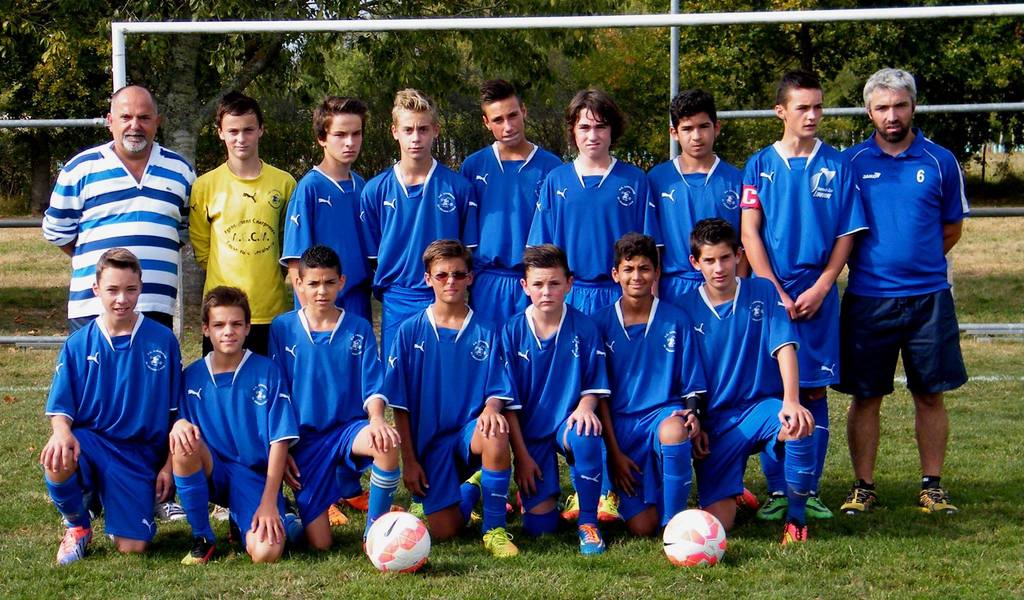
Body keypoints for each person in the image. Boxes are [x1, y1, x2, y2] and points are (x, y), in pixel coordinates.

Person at [836, 68, 969, 515]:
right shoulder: (850, 164)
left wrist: (918, 263)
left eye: (899, 106)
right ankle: (863, 487)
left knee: (930, 393)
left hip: (929, 298)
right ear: (869, 111)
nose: (891, 115)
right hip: (868, 299)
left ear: (913, 106)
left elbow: (951, 227)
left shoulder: (940, 161)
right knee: (866, 395)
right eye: (882, 107)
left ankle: (932, 486)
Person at [740, 70, 867, 520]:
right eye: (802, 108)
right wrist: (770, 286)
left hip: (817, 292)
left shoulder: (838, 164)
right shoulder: (758, 164)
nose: (812, 115)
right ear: (781, 112)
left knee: (813, 390)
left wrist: (824, 284)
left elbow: (845, 236)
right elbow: (750, 232)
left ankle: (808, 488)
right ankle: (778, 490)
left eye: (818, 107)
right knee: (778, 389)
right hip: (771, 290)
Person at [678, 218, 817, 544]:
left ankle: (797, 522)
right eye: (709, 260)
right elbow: (683, 377)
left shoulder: (762, 291)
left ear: (739, 255)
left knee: (798, 423)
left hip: (760, 409)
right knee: (719, 525)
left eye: (725, 258)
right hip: (716, 427)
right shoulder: (683, 309)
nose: (718, 268)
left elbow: (784, 346)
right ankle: (732, 490)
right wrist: (696, 420)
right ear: (695, 263)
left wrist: (791, 400)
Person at [40, 248, 183, 565]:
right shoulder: (79, 343)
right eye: (112, 290)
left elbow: (178, 414)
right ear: (96, 291)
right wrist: (61, 433)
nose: (122, 299)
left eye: (130, 289)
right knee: (57, 456)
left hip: (138, 454)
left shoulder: (163, 341)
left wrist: (168, 466)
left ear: (141, 288)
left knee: (133, 548)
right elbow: (61, 408)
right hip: (92, 443)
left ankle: (121, 504)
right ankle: (78, 526)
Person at [382, 240, 519, 557]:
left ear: (471, 277)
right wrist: (410, 461)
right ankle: (472, 487)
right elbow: (399, 407)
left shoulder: (487, 330)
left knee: (495, 429)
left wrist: (491, 407)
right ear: (428, 278)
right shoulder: (409, 332)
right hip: (430, 447)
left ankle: (494, 530)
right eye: (442, 275)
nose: (451, 282)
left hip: (468, 436)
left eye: (458, 275)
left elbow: (499, 389)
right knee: (446, 532)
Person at [268, 246, 400, 549]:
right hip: (304, 441)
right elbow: (279, 394)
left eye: (329, 282)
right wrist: (284, 446)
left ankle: (374, 535)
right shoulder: (283, 328)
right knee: (319, 545)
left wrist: (377, 419)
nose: (321, 291)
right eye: (313, 283)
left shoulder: (359, 328)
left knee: (386, 442)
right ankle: (290, 518)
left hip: (347, 430)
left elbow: (373, 386)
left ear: (342, 282)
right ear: (298, 283)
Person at [42, 85, 194, 332]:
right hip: (93, 308)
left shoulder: (181, 171)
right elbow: (58, 232)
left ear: (158, 121)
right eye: (126, 117)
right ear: (110, 121)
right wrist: (107, 264)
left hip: (156, 305)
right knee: (93, 372)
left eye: (144, 118)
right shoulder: (79, 169)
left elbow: (184, 230)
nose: (135, 125)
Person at [171, 287, 301, 565]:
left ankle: (279, 516)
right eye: (219, 325)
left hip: (254, 477)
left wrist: (268, 501)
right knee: (183, 442)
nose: (227, 331)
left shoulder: (267, 371)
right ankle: (202, 537)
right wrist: (178, 423)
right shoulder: (191, 376)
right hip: (214, 470)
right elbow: (179, 430)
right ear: (206, 329)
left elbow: (279, 440)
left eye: (235, 324)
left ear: (247, 328)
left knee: (266, 553)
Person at [592, 233, 706, 536]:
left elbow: (691, 383)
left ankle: (675, 523)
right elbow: (598, 396)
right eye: (628, 269)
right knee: (642, 528)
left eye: (644, 268)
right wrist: (614, 455)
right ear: (615, 274)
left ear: (657, 273)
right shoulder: (599, 323)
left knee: (675, 429)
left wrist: (694, 414)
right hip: (620, 428)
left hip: (661, 415)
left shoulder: (676, 319)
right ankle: (618, 495)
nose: (636, 276)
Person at [501, 244, 611, 554]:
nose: (546, 291)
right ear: (525, 286)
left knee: (587, 432)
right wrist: (521, 458)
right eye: (537, 284)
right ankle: (536, 498)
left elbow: (594, 383)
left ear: (569, 283)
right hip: (531, 434)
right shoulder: (511, 331)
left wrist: (587, 406)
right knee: (540, 529)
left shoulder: (585, 327)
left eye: (554, 283)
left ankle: (588, 522)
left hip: (567, 421)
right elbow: (507, 402)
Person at [360, 89, 478, 355]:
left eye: (423, 129)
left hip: (445, 297)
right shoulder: (375, 190)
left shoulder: (459, 188)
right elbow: (373, 256)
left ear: (435, 130)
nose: (416, 138)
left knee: (442, 379)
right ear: (394, 131)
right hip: (398, 300)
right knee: (398, 384)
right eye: (408, 129)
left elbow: (468, 252)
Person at [527, 88, 660, 316]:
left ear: (612, 130)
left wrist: (651, 304)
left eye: (601, 127)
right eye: (584, 127)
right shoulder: (556, 180)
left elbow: (651, 251)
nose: (592, 136)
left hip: (621, 293)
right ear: (573, 131)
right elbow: (539, 252)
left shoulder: (635, 180)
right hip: (568, 294)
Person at [189, 91, 297, 356]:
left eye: (248, 130)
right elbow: (203, 250)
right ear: (220, 133)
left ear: (261, 130)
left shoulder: (284, 183)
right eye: (233, 131)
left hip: (271, 312)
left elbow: (289, 244)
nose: (241, 138)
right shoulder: (205, 186)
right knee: (222, 389)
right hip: (223, 315)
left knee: (271, 389)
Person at [461, 79, 562, 323]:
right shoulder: (473, 166)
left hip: (536, 284)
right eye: (497, 120)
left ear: (523, 111)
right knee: (489, 357)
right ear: (486, 123)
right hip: (487, 282)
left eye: (513, 115)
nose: (508, 126)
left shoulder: (553, 168)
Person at [281, 96, 375, 322]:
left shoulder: (363, 186)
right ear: (322, 138)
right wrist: (311, 318)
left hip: (358, 303)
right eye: (340, 135)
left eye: (356, 133)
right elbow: (296, 263)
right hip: (321, 308)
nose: (350, 142)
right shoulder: (309, 188)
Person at [648, 89, 744, 306]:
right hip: (674, 289)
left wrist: (740, 290)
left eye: (703, 126)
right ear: (674, 132)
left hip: (724, 288)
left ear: (716, 127)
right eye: (687, 129)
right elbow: (653, 249)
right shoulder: (657, 179)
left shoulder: (736, 179)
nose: (697, 136)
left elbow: (744, 248)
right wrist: (653, 301)